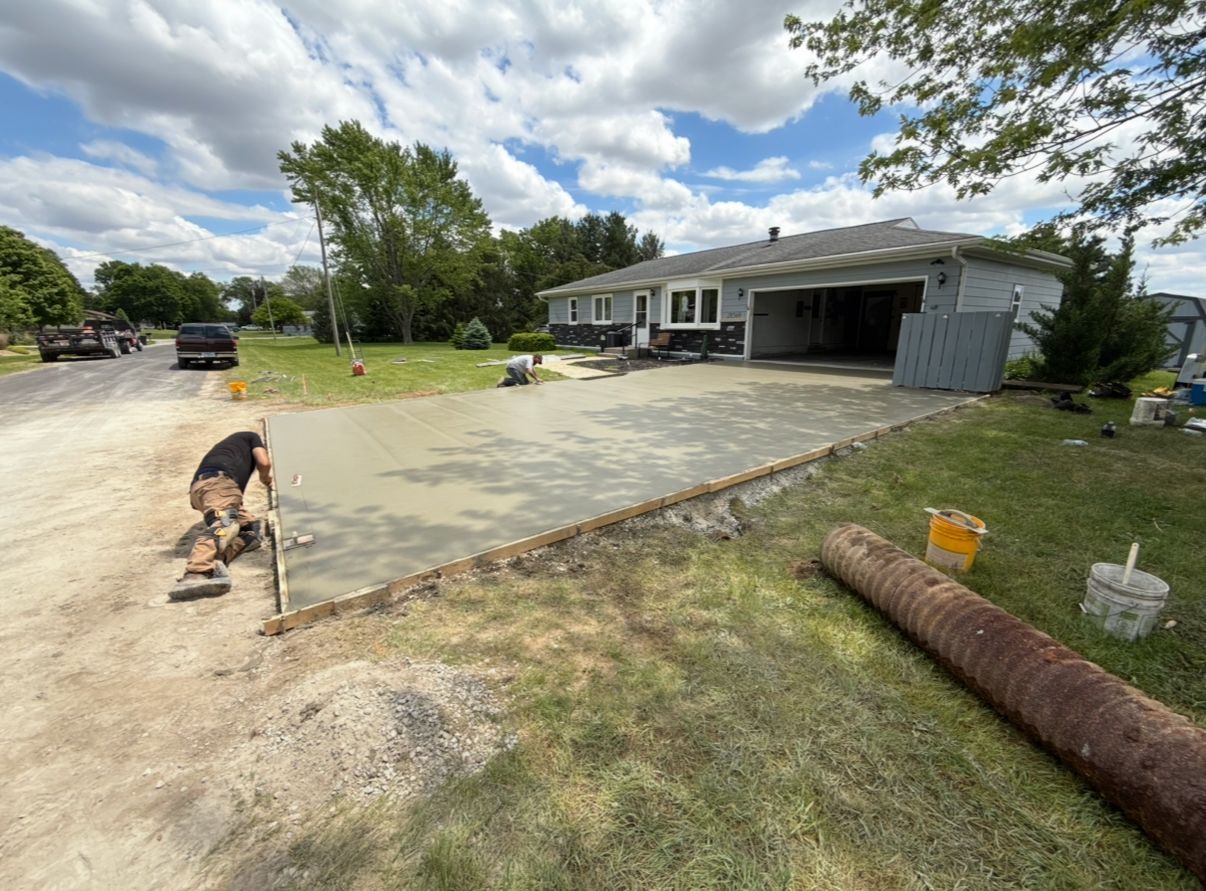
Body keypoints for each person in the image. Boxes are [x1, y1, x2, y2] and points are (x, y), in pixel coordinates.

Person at [171, 430, 273, 600]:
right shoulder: (250, 437)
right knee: (224, 523)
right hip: (216, 485)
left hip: (204, 491)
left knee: (250, 532)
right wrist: (265, 478)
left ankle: (216, 562)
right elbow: (263, 462)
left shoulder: (231, 449)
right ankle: (196, 572)